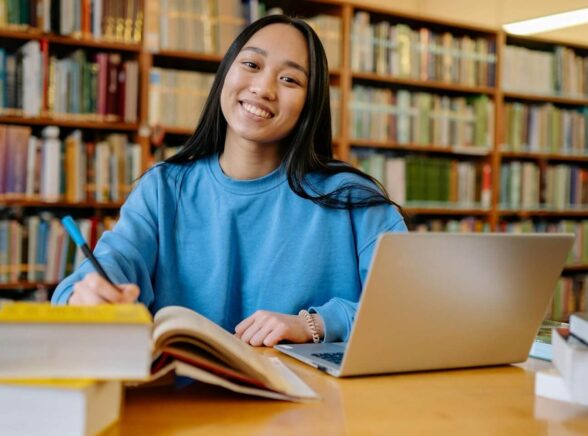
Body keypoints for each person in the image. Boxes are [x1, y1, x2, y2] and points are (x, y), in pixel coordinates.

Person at [51, 14, 407, 347]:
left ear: (310, 103)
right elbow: (114, 263)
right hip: (183, 406)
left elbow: (408, 311)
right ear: (225, 75)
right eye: (251, 65)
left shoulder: (354, 199)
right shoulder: (162, 190)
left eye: (290, 79)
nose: (264, 88)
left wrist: (314, 324)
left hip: (315, 409)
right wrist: (85, 293)